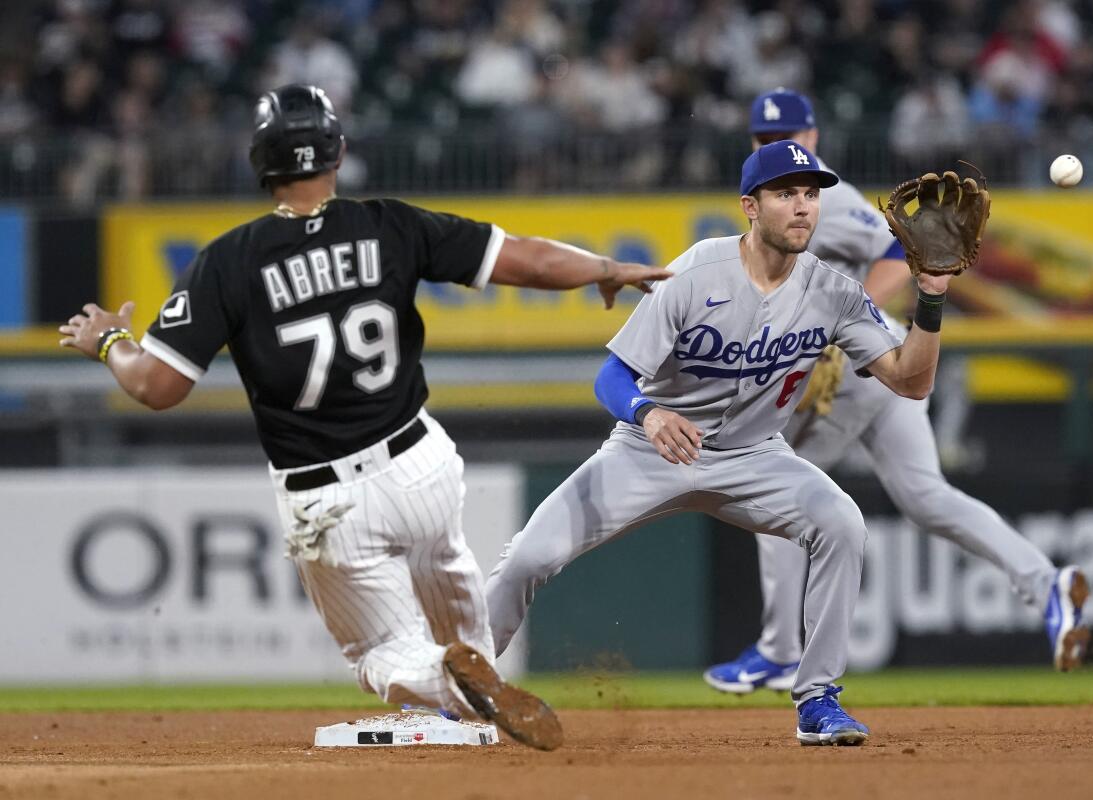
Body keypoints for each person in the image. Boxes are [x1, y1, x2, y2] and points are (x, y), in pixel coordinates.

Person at [57, 84, 669, 751]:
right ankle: (476, 678)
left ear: (259, 161)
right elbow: (523, 258)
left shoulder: (227, 262)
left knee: (381, 651)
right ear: (339, 152)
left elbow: (157, 386)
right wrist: (603, 268)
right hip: (419, 463)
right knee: (455, 587)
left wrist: (110, 344)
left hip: (326, 495)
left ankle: (450, 683)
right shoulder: (390, 225)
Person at [485, 138, 964, 746]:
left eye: (811, 195)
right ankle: (455, 695)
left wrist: (931, 296)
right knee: (528, 558)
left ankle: (818, 699)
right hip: (647, 449)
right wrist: (650, 413)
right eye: (785, 193)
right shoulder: (695, 271)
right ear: (749, 206)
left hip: (755, 456)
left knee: (841, 523)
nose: (802, 207)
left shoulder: (835, 291)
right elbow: (612, 376)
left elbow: (911, 381)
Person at [702, 89, 1089, 696]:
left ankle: (780, 651)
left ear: (815, 138)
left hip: (862, 362)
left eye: (792, 135)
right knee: (927, 496)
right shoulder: (776, 206)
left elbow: (891, 250)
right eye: (764, 138)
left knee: (773, 486)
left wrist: (841, 322)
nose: (779, 145)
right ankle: (1047, 585)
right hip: (878, 363)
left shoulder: (825, 199)